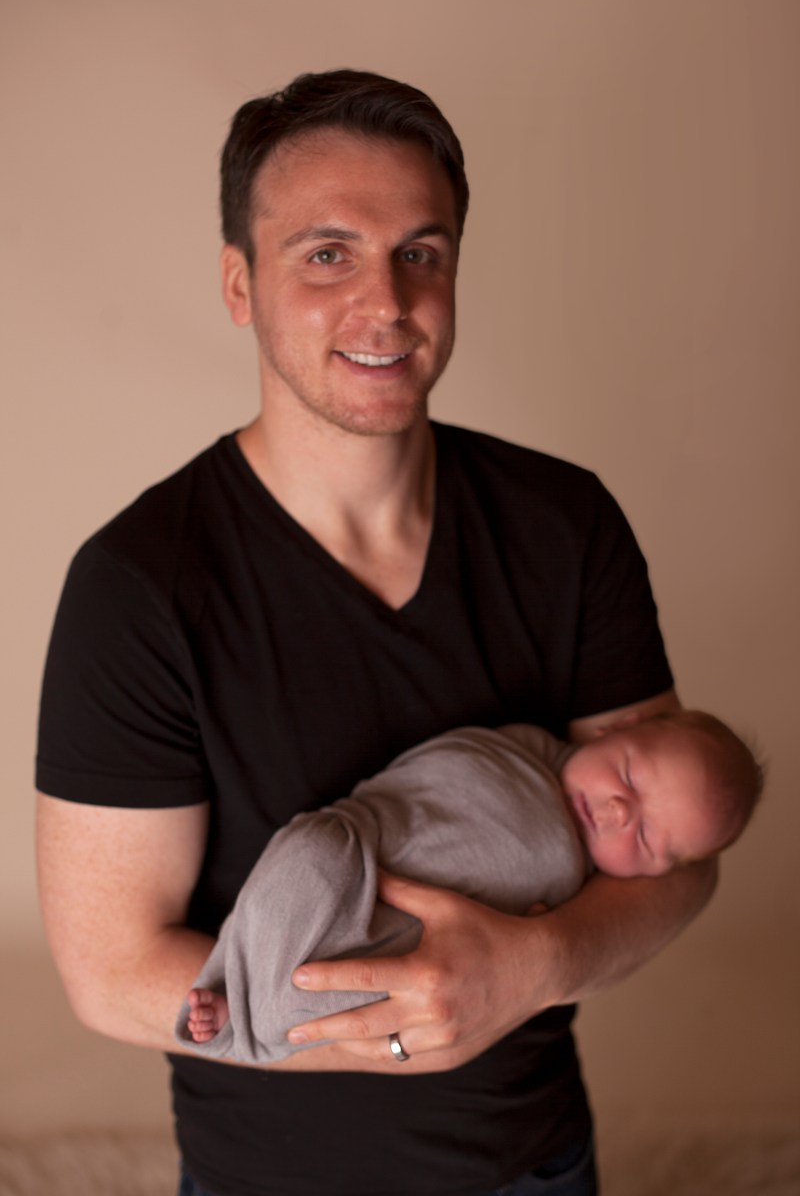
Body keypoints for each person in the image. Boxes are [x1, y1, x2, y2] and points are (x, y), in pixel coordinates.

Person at [35, 70, 721, 1196]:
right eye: (326, 254)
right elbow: (111, 974)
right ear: (238, 283)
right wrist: (404, 1020)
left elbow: (679, 855)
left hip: (533, 1165)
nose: (388, 301)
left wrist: (531, 967)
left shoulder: (566, 524)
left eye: (420, 252)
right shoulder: (137, 586)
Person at [177, 711, 761, 1064]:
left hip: (409, 942)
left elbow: (516, 958)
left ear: (656, 873)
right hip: (369, 846)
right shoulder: (526, 746)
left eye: (648, 835)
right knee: (310, 859)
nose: (617, 810)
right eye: (629, 774)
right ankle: (231, 976)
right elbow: (433, 773)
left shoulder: (581, 896)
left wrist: (539, 941)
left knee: (345, 986)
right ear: (618, 726)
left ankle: (244, 1020)